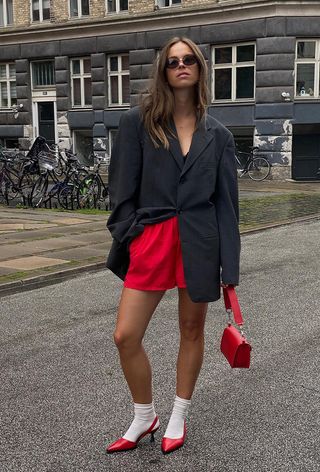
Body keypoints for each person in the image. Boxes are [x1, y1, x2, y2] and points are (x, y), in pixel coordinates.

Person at [105, 36, 240, 455]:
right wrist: (132, 233)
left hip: (200, 241)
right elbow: (120, 189)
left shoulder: (218, 135)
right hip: (153, 239)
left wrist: (229, 273)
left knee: (191, 329)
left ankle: (179, 412)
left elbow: (227, 206)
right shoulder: (137, 124)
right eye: (172, 61)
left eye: (189, 60)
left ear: (200, 68)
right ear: (163, 70)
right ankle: (144, 415)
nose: (181, 66)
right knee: (125, 335)